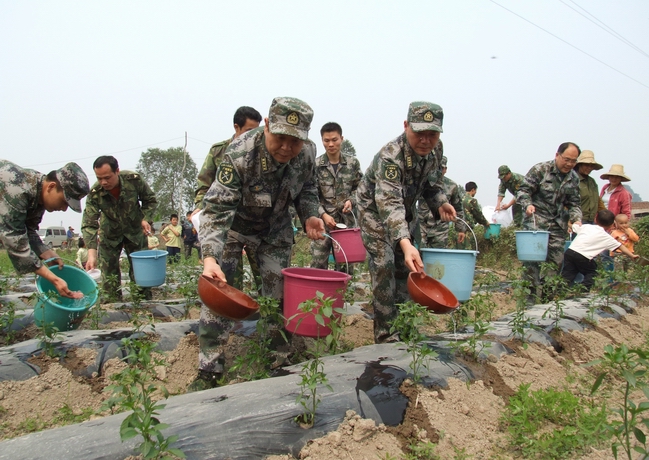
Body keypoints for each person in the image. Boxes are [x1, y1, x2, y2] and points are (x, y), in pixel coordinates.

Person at [195, 97, 326, 390]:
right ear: (267, 126)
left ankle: (277, 360)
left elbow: (307, 188)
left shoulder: (306, 154)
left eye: (295, 141)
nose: (286, 148)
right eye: (280, 138)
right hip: (234, 228)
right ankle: (209, 369)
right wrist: (210, 259)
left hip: (274, 230)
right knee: (219, 294)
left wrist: (310, 215)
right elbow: (217, 210)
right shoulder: (239, 154)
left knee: (278, 296)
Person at [356, 101, 456, 343]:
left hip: (406, 211)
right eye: (419, 133)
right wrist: (404, 241)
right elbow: (388, 203)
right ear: (406, 126)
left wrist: (440, 202)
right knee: (384, 264)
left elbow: (432, 183)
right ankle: (387, 334)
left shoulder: (435, 150)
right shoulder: (390, 156)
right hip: (375, 212)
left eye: (432, 135)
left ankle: (406, 324)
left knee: (409, 268)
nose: (425, 140)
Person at [193, 106, 263, 290]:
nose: (253, 136)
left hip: (257, 225)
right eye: (249, 131)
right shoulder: (219, 152)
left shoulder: (262, 152)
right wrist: (201, 209)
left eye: (257, 131)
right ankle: (232, 315)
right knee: (228, 278)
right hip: (228, 226)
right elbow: (203, 185)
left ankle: (269, 316)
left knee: (266, 278)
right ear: (236, 127)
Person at [0, 160, 89, 298]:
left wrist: (45, 252)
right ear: (51, 187)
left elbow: (28, 229)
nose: (64, 209)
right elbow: (14, 239)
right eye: (64, 202)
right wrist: (54, 279)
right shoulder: (18, 189)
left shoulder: (39, 197)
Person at [82, 155, 158, 301]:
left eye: (107, 177)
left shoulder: (133, 180)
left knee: (140, 270)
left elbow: (151, 200)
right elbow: (89, 223)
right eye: (99, 178)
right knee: (109, 273)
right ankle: (113, 306)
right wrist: (91, 252)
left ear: (117, 171)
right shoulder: (95, 193)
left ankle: (142, 303)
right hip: (110, 234)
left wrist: (145, 219)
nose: (103, 182)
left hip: (135, 231)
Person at [516, 142, 582, 300]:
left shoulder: (573, 178)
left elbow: (574, 204)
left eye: (573, 161)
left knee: (556, 262)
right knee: (531, 262)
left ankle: (547, 298)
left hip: (558, 225)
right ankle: (529, 299)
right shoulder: (540, 170)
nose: (569, 164)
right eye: (566, 159)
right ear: (557, 155)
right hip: (536, 222)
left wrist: (577, 220)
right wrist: (527, 204)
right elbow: (523, 191)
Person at [310, 122, 363, 271]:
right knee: (318, 263)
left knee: (346, 264)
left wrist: (351, 201)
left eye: (335, 139)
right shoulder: (316, 165)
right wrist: (323, 214)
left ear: (342, 139)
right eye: (326, 141)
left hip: (346, 223)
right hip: (323, 223)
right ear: (322, 141)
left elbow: (360, 188)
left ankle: (343, 294)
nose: (331, 144)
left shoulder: (352, 163)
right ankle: (318, 293)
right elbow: (311, 195)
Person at [562, 210, 638, 291]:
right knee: (592, 272)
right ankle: (582, 291)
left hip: (569, 252)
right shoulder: (606, 237)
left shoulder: (586, 226)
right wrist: (632, 255)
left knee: (568, 274)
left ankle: (559, 291)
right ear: (612, 224)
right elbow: (621, 246)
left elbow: (573, 225)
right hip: (583, 256)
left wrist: (569, 223)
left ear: (595, 220)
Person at [417, 153, 466, 248]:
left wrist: (461, 229)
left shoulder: (452, 186)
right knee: (418, 256)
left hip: (440, 229)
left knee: (437, 259)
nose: (438, 171)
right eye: (436, 168)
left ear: (445, 169)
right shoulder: (422, 182)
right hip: (421, 226)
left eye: (441, 168)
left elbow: (458, 208)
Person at [573, 150, 606, 224]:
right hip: (577, 221)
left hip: (591, 221)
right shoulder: (572, 180)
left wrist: (606, 215)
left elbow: (597, 200)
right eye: (586, 165)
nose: (589, 168)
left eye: (591, 166)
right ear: (579, 165)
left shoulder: (592, 182)